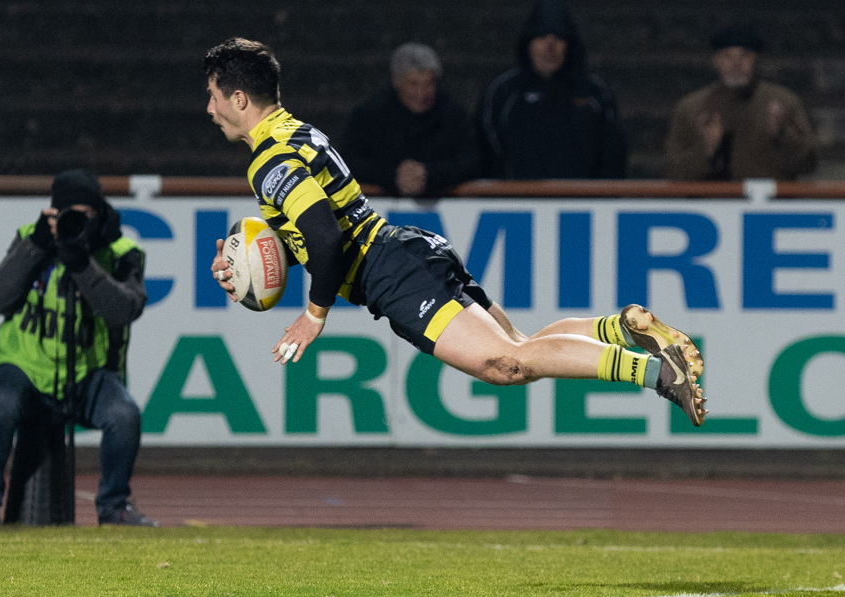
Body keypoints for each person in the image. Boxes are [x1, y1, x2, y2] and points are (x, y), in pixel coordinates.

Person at [202, 38, 707, 431]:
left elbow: (327, 239)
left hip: (390, 272)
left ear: (238, 97)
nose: (209, 108)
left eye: (213, 95)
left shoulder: (270, 160)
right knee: (519, 346)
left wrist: (313, 315)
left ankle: (659, 373)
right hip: (403, 252)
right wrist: (249, 262)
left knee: (507, 365)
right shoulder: (295, 132)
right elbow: (317, 231)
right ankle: (623, 329)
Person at [0, 169, 157, 527]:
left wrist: (82, 265)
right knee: (0, 406)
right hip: (23, 362)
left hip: (89, 371)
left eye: (85, 215)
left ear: (99, 213)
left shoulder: (121, 252)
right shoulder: (32, 236)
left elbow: (124, 311)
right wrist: (35, 248)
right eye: (69, 215)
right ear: (53, 213)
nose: (77, 223)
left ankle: (113, 506)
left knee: (124, 416)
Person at [476, 0, 626, 179]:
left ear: (569, 45)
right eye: (541, 37)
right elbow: (487, 151)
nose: (550, 47)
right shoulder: (503, 92)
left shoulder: (593, 92)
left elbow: (613, 153)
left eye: (559, 38)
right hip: (517, 195)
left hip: (581, 195)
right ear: (528, 44)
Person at [665, 24, 816, 181]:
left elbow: (808, 164)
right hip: (713, 196)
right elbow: (675, 171)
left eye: (745, 55)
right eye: (727, 56)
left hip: (770, 196)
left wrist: (783, 133)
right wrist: (706, 148)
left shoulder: (784, 102)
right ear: (717, 61)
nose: (736, 63)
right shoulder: (691, 107)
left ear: (755, 60)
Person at [339, 42, 479, 197]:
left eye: (428, 84)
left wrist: (429, 174)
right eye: (413, 84)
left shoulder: (453, 116)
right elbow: (350, 162)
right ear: (396, 81)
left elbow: (471, 162)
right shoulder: (370, 116)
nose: (421, 93)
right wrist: (393, 175)